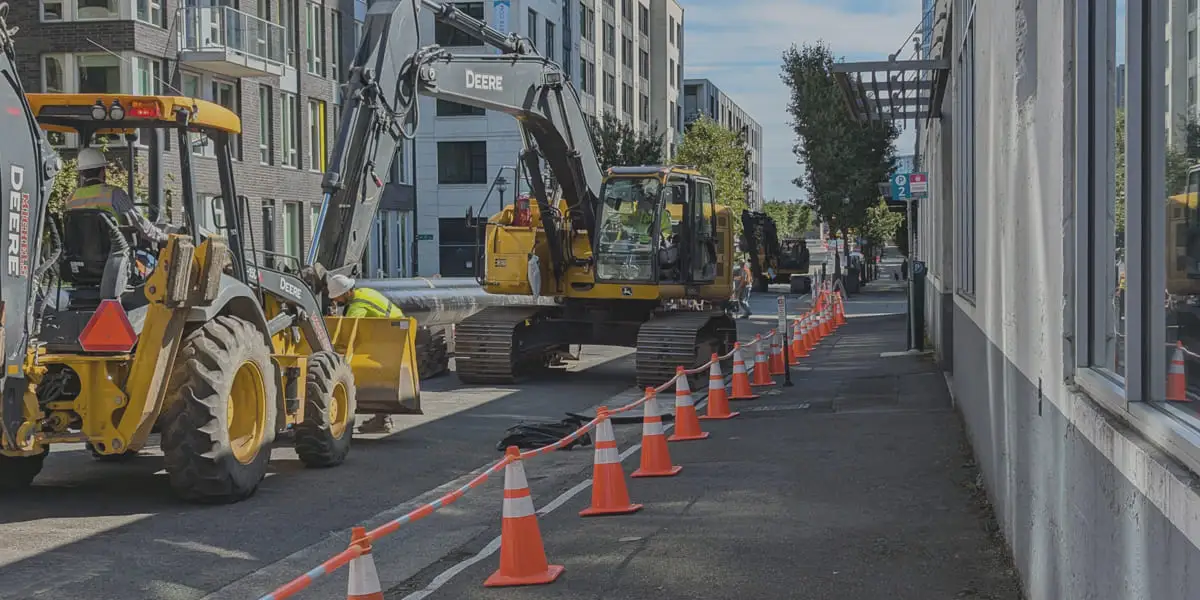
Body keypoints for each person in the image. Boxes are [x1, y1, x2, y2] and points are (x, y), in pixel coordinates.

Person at [66, 148, 170, 281]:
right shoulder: (114, 194)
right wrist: (164, 237)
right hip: (115, 263)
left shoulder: (71, 198)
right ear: (103, 171)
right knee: (153, 267)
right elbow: (142, 226)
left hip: (81, 266)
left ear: (81, 173)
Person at [326, 273, 406, 434]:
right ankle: (383, 419)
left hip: (392, 333)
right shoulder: (364, 292)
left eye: (338, 298)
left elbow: (349, 331)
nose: (336, 301)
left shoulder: (357, 305)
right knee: (380, 372)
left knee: (376, 373)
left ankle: (382, 419)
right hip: (395, 329)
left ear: (347, 292)